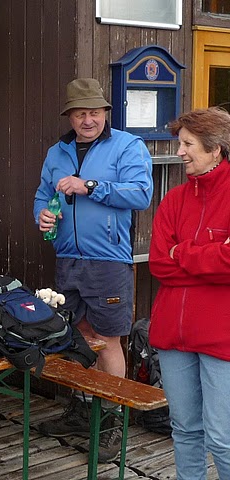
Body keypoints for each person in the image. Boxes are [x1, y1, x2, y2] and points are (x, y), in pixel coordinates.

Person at [33, 78, 153, 462]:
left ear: (106, 113)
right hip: (68, 259)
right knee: (77, 335)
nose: (88, 120)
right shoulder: (57, 151)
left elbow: (141, 193)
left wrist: (92, 185)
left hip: (109, 262)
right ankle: (84, 410)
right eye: (81, 113)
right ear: (70, 116)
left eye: (95, 112)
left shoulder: (127, 146)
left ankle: (113, 419)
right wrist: (42, 215)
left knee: (108, 337)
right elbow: (41, 194)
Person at [148, 107, 230, 480]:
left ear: (215, 149)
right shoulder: (174, 199)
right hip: (172, 335)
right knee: (184, 429)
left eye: (187, 144)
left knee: (223, 437)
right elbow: (158, 264)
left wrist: (183, 253)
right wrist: (207, 264)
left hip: (221, 338)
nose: (179, 151)